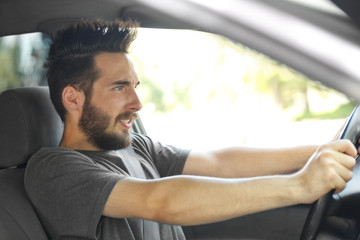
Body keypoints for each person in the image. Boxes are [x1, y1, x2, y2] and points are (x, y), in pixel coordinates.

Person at [24, 18, 357, 240]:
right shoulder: (53, 169)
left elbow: (219, 162)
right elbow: (162, 201)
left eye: (135, 86)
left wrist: (328, 149)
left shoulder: (134, 147)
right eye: (119, 88)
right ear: (73, 98)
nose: (137, 103)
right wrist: (298, 186)